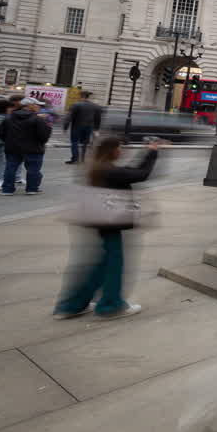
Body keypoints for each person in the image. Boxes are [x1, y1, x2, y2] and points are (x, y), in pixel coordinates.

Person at [52, 136, 167, 320]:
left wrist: (146, 151)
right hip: (110, 223)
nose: (121, 150)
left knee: (100, 265)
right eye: (119, 147)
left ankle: (72, 305)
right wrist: (152, 152)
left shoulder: (98, 167)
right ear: (111, 150)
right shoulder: (109, 171)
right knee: (114, 264)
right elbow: (140, 174)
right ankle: (110, 305)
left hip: (100, 222)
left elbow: (130, 170)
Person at [0, 97, 52, 195]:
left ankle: (7, 189)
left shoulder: (9, 118)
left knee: (10, 168)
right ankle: (32, 189)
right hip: (33, 148)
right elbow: (44, 136)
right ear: (30, 106)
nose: (39, 107)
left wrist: (9, 142)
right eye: (37, 105)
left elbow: (2, 134)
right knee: (33, 169)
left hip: (13, 148)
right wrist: (47, 127)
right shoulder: (37, 119)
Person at [64, 91, 103, 164]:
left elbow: (69, 117)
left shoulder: (76, 105)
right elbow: (98, 119)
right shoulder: (95, 106)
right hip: (89, 127)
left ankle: (75, 159)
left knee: (74, 142)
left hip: (77, 127)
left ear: (81, 96)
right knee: (85, 143)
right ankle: (82, 159)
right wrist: (96, 129)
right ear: (88, 97)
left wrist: (65, 127)